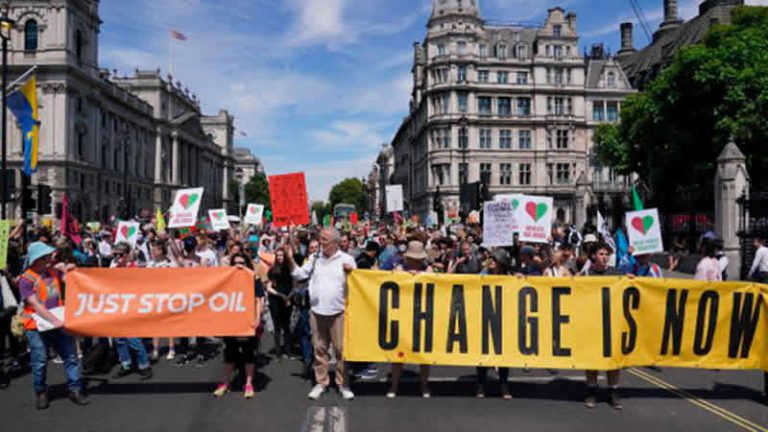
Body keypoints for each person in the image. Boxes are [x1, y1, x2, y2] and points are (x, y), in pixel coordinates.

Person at [19, 242, 88, 409]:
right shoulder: (26, 279)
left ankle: (75, 389)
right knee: (40, 360)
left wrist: (68, 270)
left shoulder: (53, 271)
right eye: (48, 256)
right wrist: (55, 321)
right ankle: (41, 391)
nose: (52, 257)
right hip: (36, 324)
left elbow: (69, 280)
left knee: (70, 356)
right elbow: (35, 305)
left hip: (58, 320)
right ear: (39, 259)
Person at [291, 228, 356, 401]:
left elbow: (358, 283)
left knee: (341, 350)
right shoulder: (314, 259)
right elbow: (299, 275)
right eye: (320, 239)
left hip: (339, 312)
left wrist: (352, 272)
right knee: (319, 349)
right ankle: (321, 382)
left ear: (335, 243)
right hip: (317, 311)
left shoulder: (347, 259)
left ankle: (343, 383)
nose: (320, 242)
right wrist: (289, 259)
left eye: (324, 239)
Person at [213, 252, 265, 399]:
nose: (238, 265)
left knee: (249, 354)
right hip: (231, 323)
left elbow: (258, 300)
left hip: (248, 323)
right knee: (230, 354)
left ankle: (248, 384)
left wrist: (257, 319)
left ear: (247, 264)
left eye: (242, 262)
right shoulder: (226, 280)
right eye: (235, 263)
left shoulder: (254, 278)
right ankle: (226, 383)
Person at [580, 242, 623, 410]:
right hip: (592, 323)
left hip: (612, 323)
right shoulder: (586, 275)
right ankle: (592, 391)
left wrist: (631, 280)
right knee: (592, 359)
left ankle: (613, 392)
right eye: (601, 254)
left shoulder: (616, 274)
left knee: (613, 360)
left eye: (607, 254)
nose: (604, 257)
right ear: (593, 256)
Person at [388, 240, 433, 399]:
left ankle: (424, 385)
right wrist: (406, 276)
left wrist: (422, 276)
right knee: (398, 353)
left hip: (423, 316)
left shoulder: (428, 269)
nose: (414, 261)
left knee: (424, 354)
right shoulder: (399, 268)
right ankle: (394, 385)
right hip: (403, 315)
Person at [110, 242, 154, 380]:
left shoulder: (135, 269)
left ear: (128, 255)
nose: (117, 257)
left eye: (120, 254)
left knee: (133, 338)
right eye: (115, 254)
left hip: (132, 308)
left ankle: (144, 365)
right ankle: (126, 364)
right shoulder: (113, 269)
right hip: (118, 307)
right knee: (119, 339)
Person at [476, 249, 512, 399]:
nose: (491, 261)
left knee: (504, 354)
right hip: (485, 317)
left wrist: (520, 279)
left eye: (495, 260)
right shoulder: (482, 275)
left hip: (503, 319)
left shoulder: (509, 278)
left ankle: (504, 384)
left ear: (502, 264)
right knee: (482, 352)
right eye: (490, 259)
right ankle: (480, 385)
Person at [146, 239, 178, 361]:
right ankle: (155, 348)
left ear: (162, 250)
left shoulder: (170, 263)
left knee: (169, 323)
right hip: (154, 296)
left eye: (157, 249)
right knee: (155, 323)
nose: (153, 251)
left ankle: (171, 348)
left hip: (168, 295)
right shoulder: (150, 264)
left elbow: (176, 278)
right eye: (152, 249)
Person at [267, 247, 294, 359]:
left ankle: (288, 350)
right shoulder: (272, 270)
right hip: (275, 299)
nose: (280, 257)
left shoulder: (291, 269)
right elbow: (269, 287)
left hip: (288, 298)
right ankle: (278, 351)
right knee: (277, 326)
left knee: (287, 325)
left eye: (282, 255)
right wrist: (280, 295)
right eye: (278, 255)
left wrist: (288, 297)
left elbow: (295, 285)